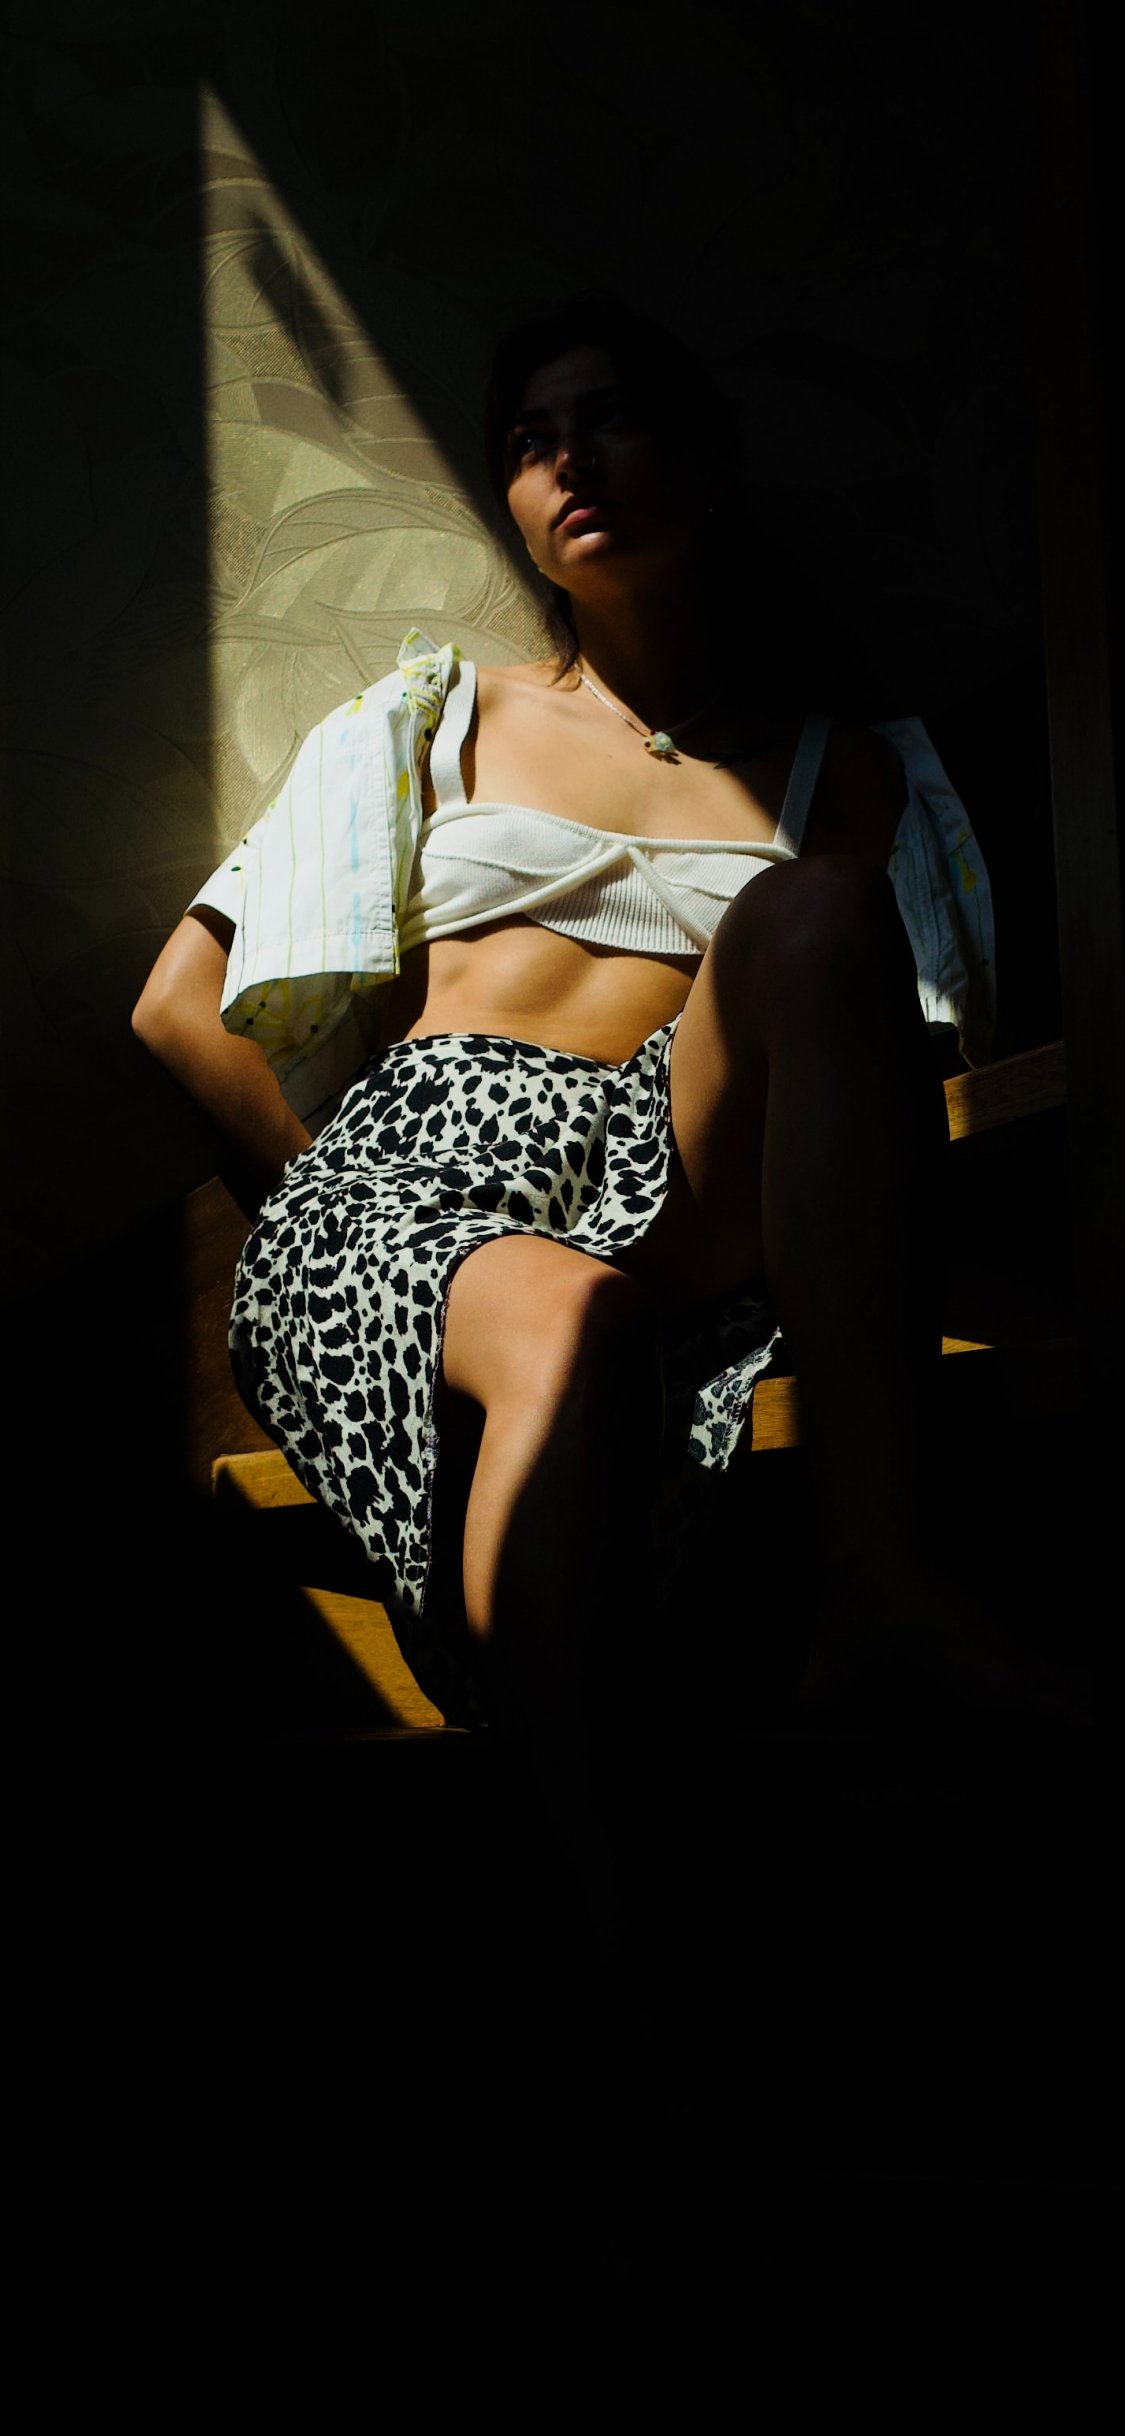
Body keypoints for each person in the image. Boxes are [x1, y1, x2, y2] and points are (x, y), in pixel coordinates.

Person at [134, 296, 1015, 1803]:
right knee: (571, 1322)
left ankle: (881, 1584)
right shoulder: (436, 718)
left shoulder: (844, 768)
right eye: (530, 442)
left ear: (707, 463)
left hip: (666, 1173)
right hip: (417, 1175)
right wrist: (347, 1213)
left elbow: (879, 1079)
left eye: (608, 418)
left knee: (818, 913)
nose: (568, 461)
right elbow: (177, 1004)